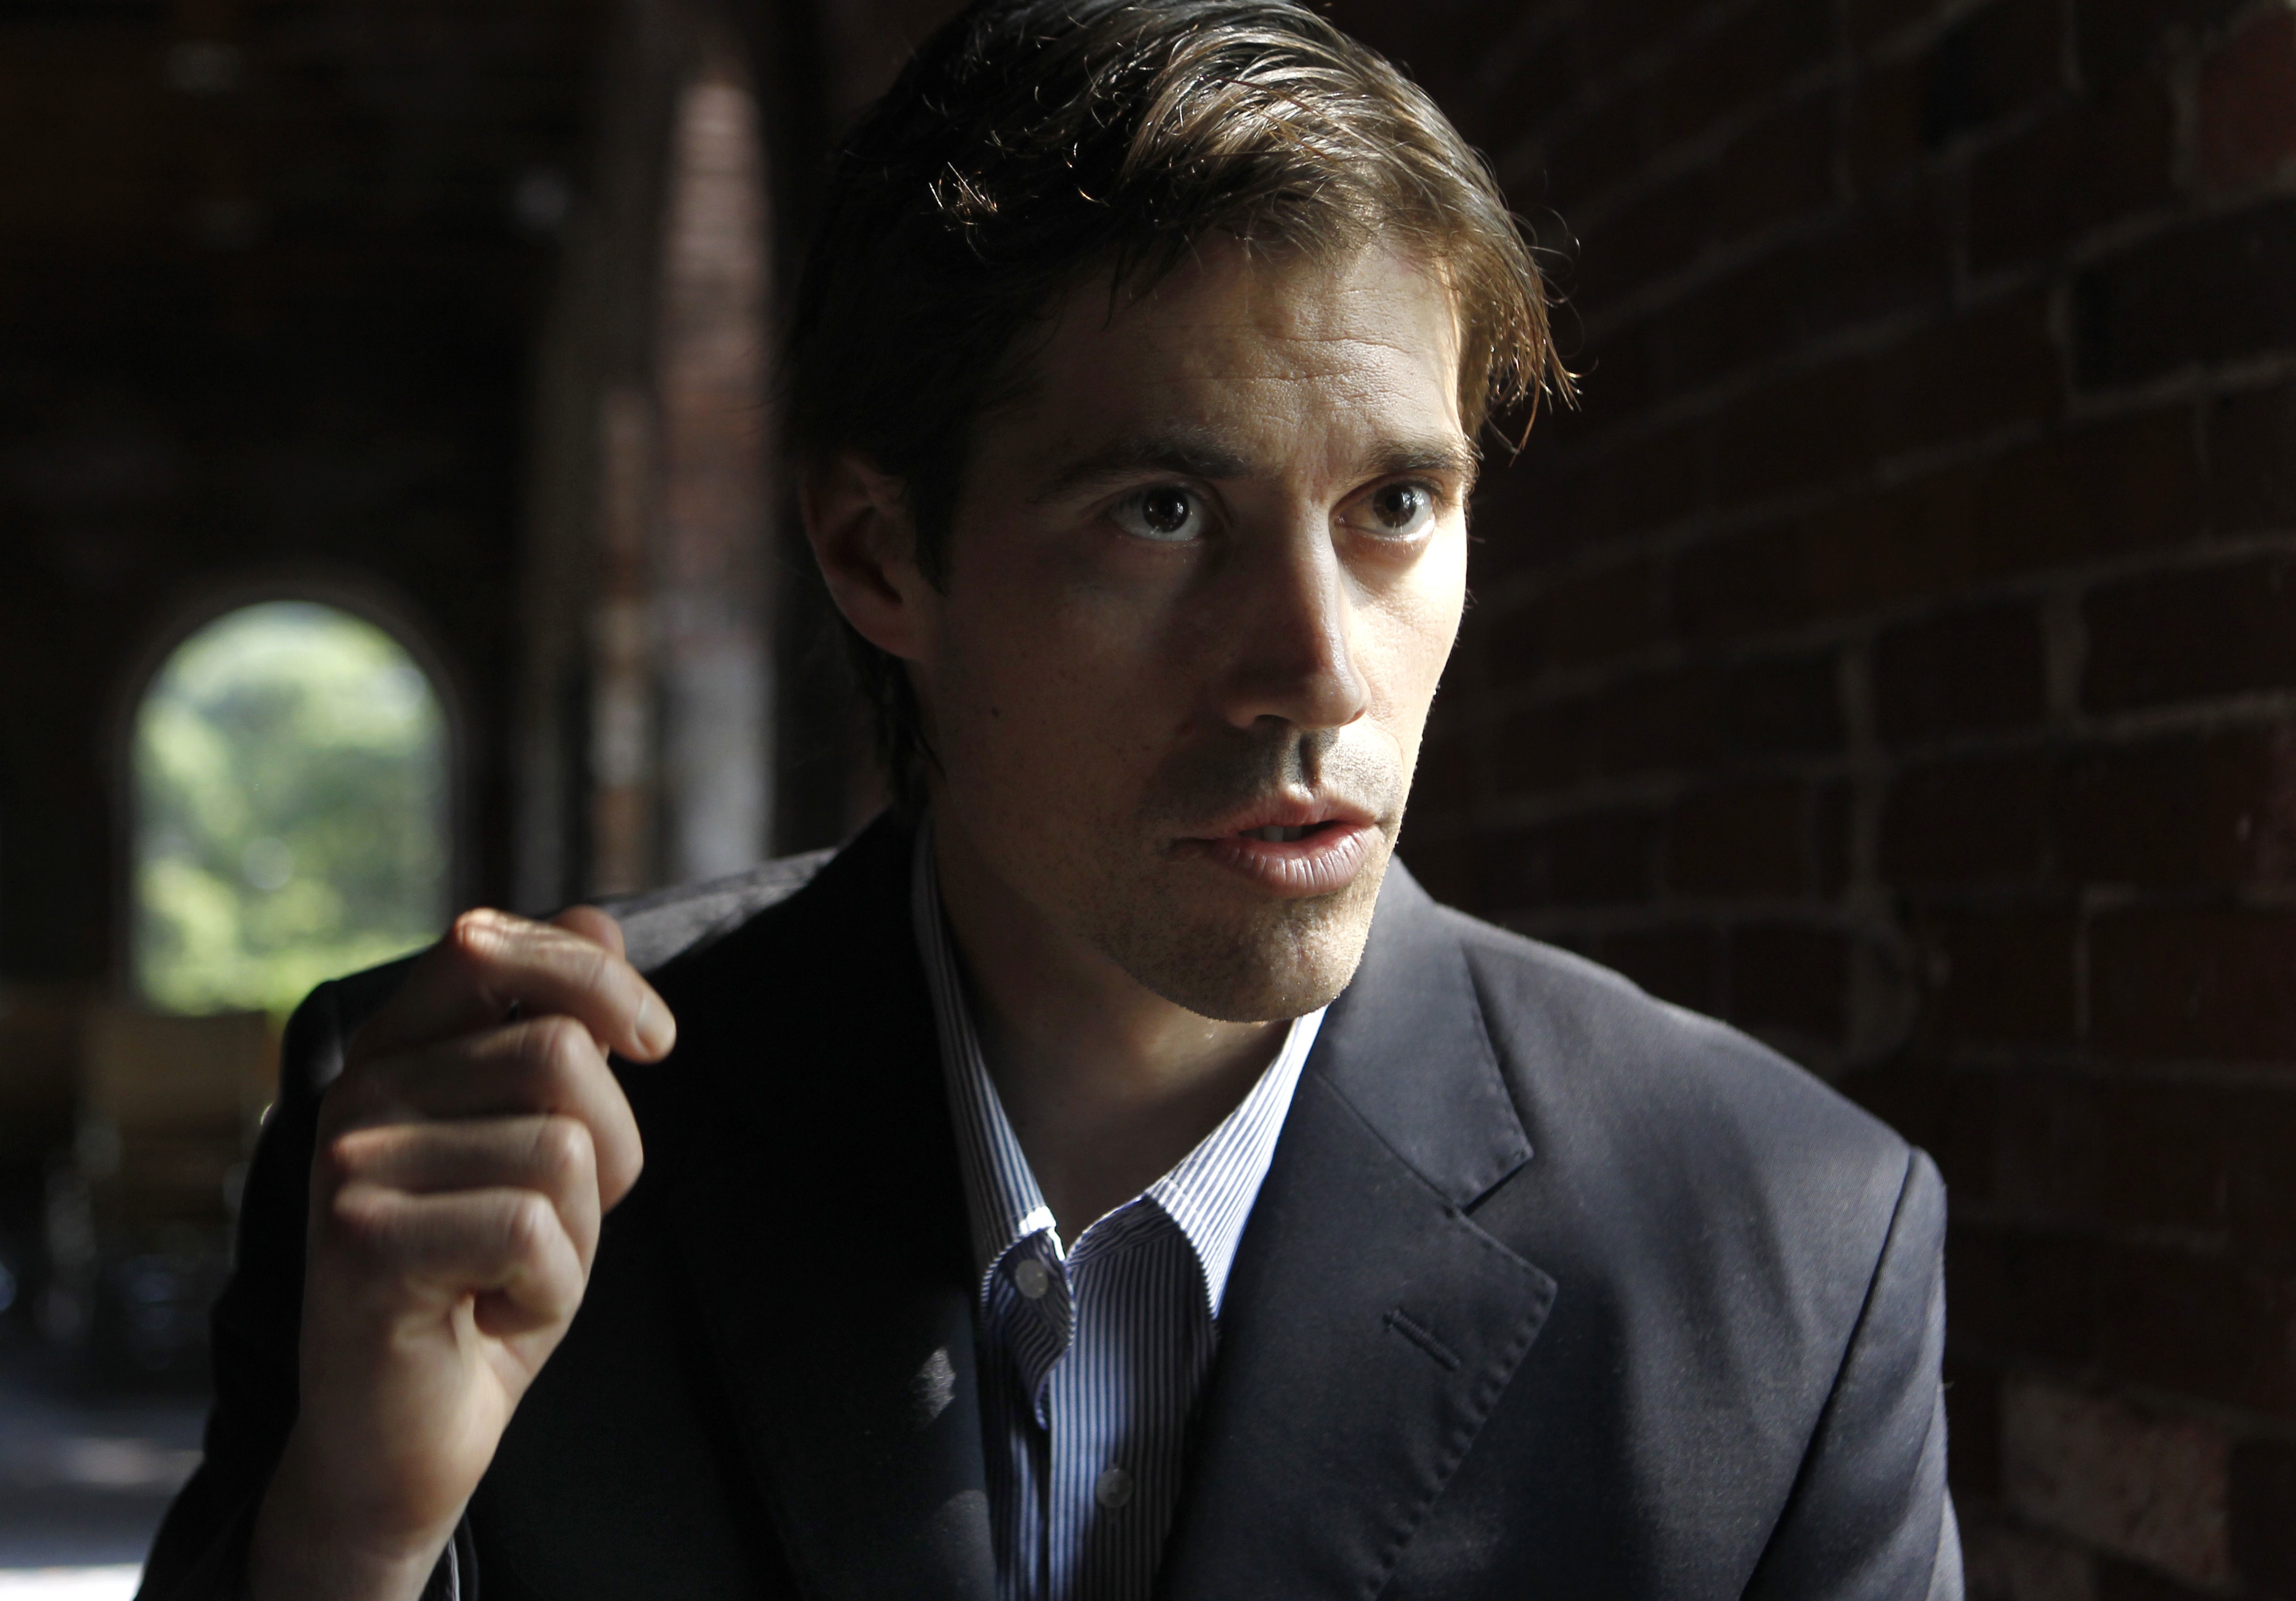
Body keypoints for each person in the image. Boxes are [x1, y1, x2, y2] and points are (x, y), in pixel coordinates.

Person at [141, 1, 1962, 1596]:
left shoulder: (1780, 1247)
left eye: (1394, 506)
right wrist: (349, 1548)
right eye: (1163, 511)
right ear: (877, 553)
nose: (1318, 668)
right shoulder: (473, 1160)